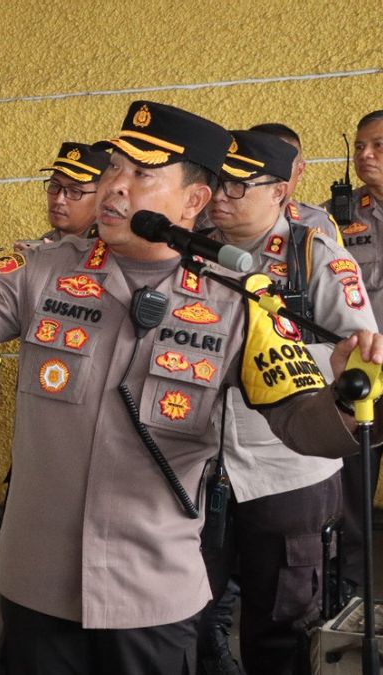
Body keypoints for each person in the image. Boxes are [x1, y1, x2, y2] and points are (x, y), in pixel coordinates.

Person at [0, 100, 383, 675]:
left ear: (194, 201)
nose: (114, 186)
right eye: (114, 168)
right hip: (39, 584)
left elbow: (307, 425)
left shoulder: (238, 302)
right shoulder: (43, 274)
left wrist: (350, 392)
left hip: (151, 590)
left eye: (141, 176)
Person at [196, 130, 368, 675]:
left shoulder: (317, 257)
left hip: (287, 470)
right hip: (197, 468)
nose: (220, 195)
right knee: (190, 616)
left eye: (238, 185)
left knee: (284, 626)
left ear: (280, 192)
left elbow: (362, 361)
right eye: (216, 181)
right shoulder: (188, 248)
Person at [325, 109, 383, 596]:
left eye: (378, 145)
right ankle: (350, 590)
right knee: (355, 485)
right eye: (361, 145)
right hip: (366, 373)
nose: (365, 155)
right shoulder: (335, 217)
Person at [248, 122, 342, 243]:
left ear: (300, 170)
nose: (269, 176)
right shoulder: (225, 216)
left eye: (279, 166)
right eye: (258, 166)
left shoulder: (318, 222)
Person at [32, 141, 108, 244]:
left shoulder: (111, 250)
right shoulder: (48, 240)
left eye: (75, 191)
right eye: (55, 185)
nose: (58, 200)